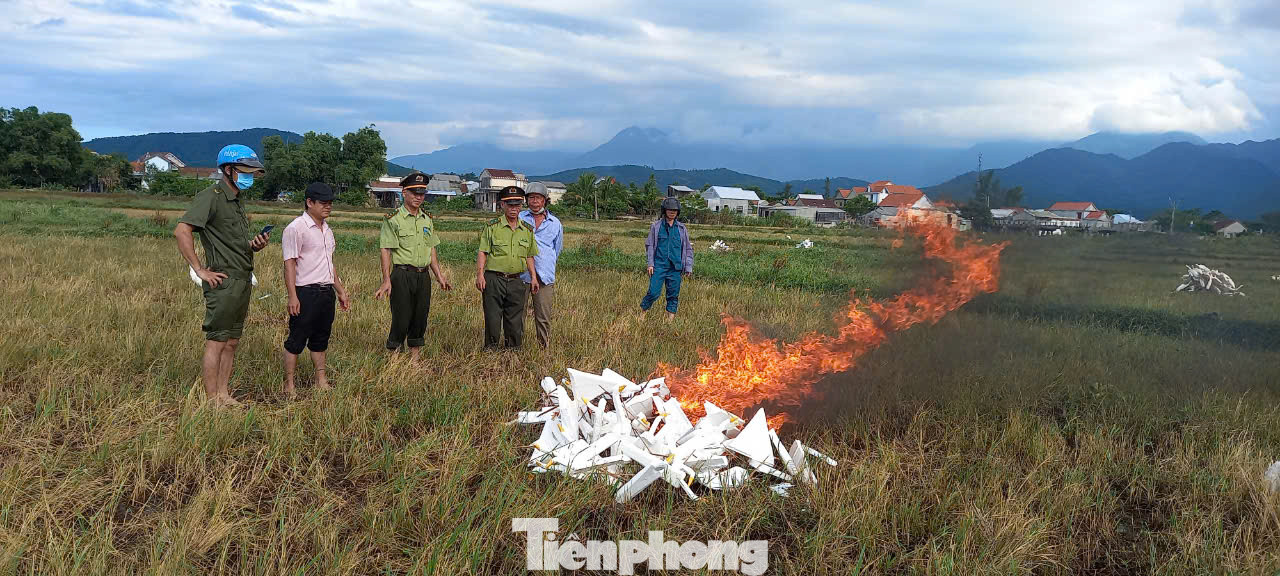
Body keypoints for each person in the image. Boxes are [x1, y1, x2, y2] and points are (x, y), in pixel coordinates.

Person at [173, 144, 270, 407]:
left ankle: (224, 394)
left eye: (252, 171)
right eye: (244, 170)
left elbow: (232, 242)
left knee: (232, 341)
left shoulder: (237, 200)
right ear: (228, 170)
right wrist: (199, 269)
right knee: (217, 340)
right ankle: (211, 398)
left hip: (242, 278)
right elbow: (182, 231)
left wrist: (254, 245)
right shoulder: (211, 196)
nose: (249, 176)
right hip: (223, 280)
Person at [281, 182, 351, 398]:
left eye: (330, 203)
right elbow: (289, 263)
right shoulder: (296, 228)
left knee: (321, 338)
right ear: (309, 202)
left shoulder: (327, 230)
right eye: (323, 203)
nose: (328, 207)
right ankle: (289, 384)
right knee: (297, 338)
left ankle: (321, 380)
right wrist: (293, 295)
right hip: (305, 292)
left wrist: (340, 290)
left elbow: (330, 263)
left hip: (326, 291)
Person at [374, 171, 452, 360]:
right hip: (402, 274)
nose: (419, 197)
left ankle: (414, 357)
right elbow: (386, 249)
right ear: (404, 193)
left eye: (422, 193)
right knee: (401, 316)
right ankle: (394, 355)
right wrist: (386, 280)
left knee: (420, 316)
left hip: (423, 275)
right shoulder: (393, 219)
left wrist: (439, 276)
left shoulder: (427, 219)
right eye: (414, 193)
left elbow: (431, 249)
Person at [476, 186, 540, 348]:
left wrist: (533, 277)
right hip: (494, 279)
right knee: (493, 317)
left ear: (521, 206)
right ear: (502, 205)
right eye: (509, 204)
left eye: (517, 205)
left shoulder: (527, 230)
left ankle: (513, 352)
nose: (513, 209)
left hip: (516, 280)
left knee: (514, 319)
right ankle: (491, 351)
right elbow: (483, 252)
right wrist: (480, 275)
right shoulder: (492, 227)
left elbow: (529, 255)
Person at [519, 182, 564, 349]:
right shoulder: (520, 218)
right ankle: (517, 346)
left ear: (545, 201)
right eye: (531, 198)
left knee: (543, 315)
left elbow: (557, 249)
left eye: (538, 198)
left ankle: (542, 347)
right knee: (518, 314)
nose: (534, 201)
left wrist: (544, 263)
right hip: (521, 275)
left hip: (545, 276)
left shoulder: (555, 223)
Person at [641, 197, 694, 321]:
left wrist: (688, 266)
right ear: (664, 210)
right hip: (659, 266)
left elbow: (687, 249)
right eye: (669, 209)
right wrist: (650, 264)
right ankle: (642, 314)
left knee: (673, 294)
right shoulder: (656, 226)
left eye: (675, 210)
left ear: (678, 212)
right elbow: (650, 245)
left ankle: (670, 320)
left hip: (675, 268)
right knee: (653, 292)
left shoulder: (682, 229)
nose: (672, 212)